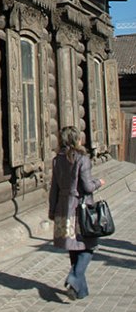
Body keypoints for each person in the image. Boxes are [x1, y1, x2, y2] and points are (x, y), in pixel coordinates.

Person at [48, 125, 105, 301]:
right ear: (76, 140)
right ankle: (73, 278)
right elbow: (87, 186)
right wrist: (99, 182)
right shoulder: (82, 159)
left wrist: (52, 210)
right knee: (89, 245)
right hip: (80, 207)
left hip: (63, 207)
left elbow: (54, 188)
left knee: (73, 246)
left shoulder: (57, 160)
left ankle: (80, 290)